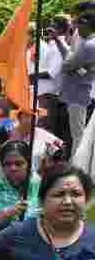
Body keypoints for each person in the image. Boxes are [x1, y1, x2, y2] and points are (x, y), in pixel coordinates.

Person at [51, 11, 95, 156]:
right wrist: (78, 68)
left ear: (86, 25)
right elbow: (70, 62)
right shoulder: (86, 42)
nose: (75, 29)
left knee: (78, 134)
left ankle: (77, 163)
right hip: (77, 93)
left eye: (78, 25)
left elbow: (66, 66)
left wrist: (75, 68)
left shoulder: (89, 45)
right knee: (76, 133)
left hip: (78, 94)